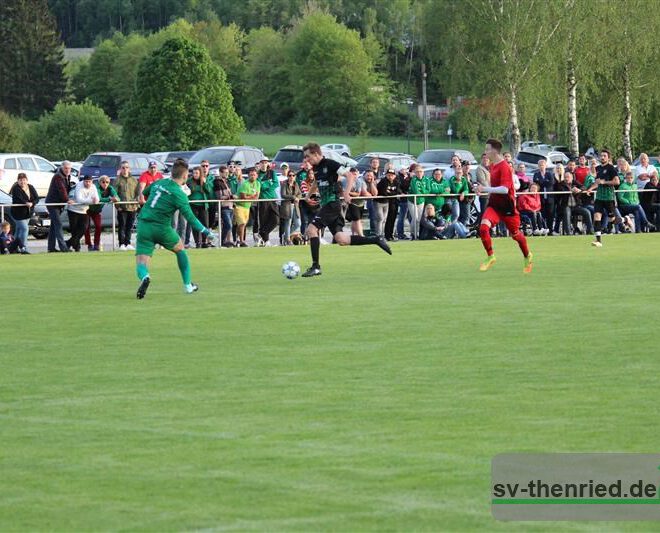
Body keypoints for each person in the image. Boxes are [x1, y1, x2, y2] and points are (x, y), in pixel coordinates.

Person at [300, 142, 391, 277]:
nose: (306, 159)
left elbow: (350, 175)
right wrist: (308, 195)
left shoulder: (330, 164)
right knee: (341, 239)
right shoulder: (316, 168)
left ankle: (316, 266)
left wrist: (347, 193)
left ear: (316, 154)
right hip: (327, 205)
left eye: (308, 156)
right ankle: (376, 239)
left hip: (332, 204)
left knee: (311, 230)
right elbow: (315, 182)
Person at [134, 158, 216, 299]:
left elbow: (145, 192)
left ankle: (145, 277)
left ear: (172, 173)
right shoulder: (180, 195)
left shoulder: (159, 182)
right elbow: (191, 218)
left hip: (144, 226)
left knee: (141, 261)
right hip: (162, 229)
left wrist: (142, 198)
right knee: (180, 250)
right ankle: (188, 286)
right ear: (185, 176)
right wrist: (206, 232)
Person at [474, 138, 533, 273]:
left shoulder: (505, 166)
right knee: (483, 228)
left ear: (494, 151)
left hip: (507, 206)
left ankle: (527, 255)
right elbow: (494, 187)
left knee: (516, 235)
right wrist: (480, 188)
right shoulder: (493, 166)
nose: (485, 152)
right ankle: (490, 256)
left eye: (487, 149)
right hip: (495, 204)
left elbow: (505, 190)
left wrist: (485, 189)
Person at [587, 149, 620, 247]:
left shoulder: (611, 168)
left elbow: (617, 182)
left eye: (604, 156)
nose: (602, 157)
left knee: (612, 220)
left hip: (609, 197)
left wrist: (604, 182)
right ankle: (598, 241)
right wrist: (590, 189)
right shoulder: (598, 168)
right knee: (597, 217)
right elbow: (597, 182)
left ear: (608, 157)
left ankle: (625, 220)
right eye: (601, 156)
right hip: (599, 197)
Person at [45, 161, 74, 253]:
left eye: (69, 168)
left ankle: (51, 248)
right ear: (62, 168)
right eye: (66, 168)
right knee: (58, 224)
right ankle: (63, 247)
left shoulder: (67, 176)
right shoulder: (58, 176)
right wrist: (67, 200)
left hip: (58, 204)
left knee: (54, 226)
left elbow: (66, 189)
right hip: (53, 204)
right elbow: (61, 189)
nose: (67, 170)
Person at [84, 175, 119, 251]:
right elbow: (99, 199)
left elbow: (117, 197)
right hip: (88, 209)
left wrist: (116, 198)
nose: (105, 184)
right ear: (100, 182)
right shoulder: (96, 188)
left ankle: (96, 245)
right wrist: (110, 199)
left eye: (107, 182)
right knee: (86, 227)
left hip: (97, 211)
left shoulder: (110, 188)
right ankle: (89, 244)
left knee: (99, 227)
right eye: (103, 182)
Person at [66, 175, 100, 252]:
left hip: (84, 211)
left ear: (91, 182)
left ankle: (67, 243)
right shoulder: (79, 185)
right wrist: (91, 200)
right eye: (86, 181)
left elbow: (97, 199)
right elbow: (79, 200)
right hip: (73, 210)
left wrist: (94, 200)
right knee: (74, 231)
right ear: (83, 181)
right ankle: (77, 248)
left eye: (89, 182)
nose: (88, 183)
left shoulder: (93, 187)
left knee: (83, 229)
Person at [9, 172, 39, 253]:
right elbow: (19, 199)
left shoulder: (31, 187)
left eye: (24, 180)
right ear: (18, 181)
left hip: (28, 214)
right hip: (17, 214)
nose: (22, 182)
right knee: (25, 229)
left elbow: (36, 198)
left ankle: (12, 248)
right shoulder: (15, 188)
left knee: (19, 231)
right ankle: (24, 248)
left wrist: (32, 203)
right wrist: (26, 202)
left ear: (27, 180)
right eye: (20, 180)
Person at [115, 161, 139, 250]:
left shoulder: (134, 180)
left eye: (126, 167)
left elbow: (138, 192)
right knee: (122, 226)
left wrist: (136, 204)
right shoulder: (117, 180)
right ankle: (121, 244)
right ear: (120, 169)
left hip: (132, 207)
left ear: (129, 169)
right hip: (122, 207)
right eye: (123, 167)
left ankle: (128, 243)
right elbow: (114, 193)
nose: (125, 169)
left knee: (129, 226)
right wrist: (118, 206)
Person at [187, 167, 214, 248]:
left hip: (203, 205)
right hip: (193, 205)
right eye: (194, 173)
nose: (195, 175)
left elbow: (209, 191)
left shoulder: (204, 180)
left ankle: (204, 241)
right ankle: (197, 242)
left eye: (197, 173)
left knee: (205, 224)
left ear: (200, 174)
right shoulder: (189, 181)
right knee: (195, 224)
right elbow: (187, 191)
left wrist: (205, 183)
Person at [256, 158, 280, 246]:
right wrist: (267, 185)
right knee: (264, 220)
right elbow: (259, 186)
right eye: (262, 163)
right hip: (263, 200)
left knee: (276, 220)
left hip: (272, 199)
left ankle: (262, 233)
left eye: (265, 163)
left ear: (267, 164)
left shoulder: (272, 172)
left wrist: (265, 185)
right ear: (259, 164)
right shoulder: (258, 175)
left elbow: (276, 183)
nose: (263, 164)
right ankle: (266, 240)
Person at [234, 168, 261, 247]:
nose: (252, 176)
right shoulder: (245, 184)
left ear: (257, 176)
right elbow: (243, 197)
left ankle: (238, 239)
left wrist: (250, 197)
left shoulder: (258, 184)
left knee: (243, 224)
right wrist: (252, 196)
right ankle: (241, 241)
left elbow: (257, 197)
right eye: (251, 175)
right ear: (248, 176)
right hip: (239, 205)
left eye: (254, 175)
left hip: (247, 207)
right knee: (242, 224)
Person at [374, 169, 401, 238]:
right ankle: (381, 235)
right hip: (382, 202)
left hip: (392, 203)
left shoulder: (396, 182)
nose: (390, 176)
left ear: (394, 176)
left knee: (392, 219)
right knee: (382, 219)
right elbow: (384, 192)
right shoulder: (383, 181)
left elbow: (398, 191)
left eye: (392, 175)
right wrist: (392, 193)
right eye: (388, 175)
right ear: (386, 175)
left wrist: (390, 193)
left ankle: (390, 235)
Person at [213, 165, 235, 247]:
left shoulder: (227, 181)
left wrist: (232, 197)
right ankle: (222, 241)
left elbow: (228, 193)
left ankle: (224, 241)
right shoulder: (217, 182)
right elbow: (219, 197)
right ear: (220, 173)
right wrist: (230, 197)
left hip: (230, 206)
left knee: (228, 225)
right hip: (224, 207)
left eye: (227, 173)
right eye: (225, 173)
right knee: (228, 225)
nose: (226, 174)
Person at [279, 170, 301, 245]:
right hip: (287, 206)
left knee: (298, 223)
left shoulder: (296, 184)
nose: (291, 177)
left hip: (295, 206)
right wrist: (293, 197)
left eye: (293, 175)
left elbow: (299, 193)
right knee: (288, 223)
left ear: (295, 176)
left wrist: (297, 197)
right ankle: (288, 239)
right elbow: (283, 195)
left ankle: (286, 235)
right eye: (290, 175)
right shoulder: (284, 184)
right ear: (288, 176)